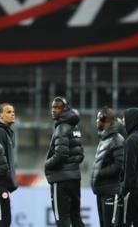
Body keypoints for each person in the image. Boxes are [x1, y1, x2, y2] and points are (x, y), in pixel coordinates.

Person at [45, 96, 85, 227]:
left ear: (65, 109)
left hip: (61, 180)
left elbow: (61, 155)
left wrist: (47, 164)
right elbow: (80, 155)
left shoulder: (61, 128)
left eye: (57, 108)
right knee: (76, 219)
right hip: (74, 178)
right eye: (53, 107)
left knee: (61, 220)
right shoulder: (75, 128)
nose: (54, 110)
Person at [91, 107, 125, 227]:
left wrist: (100, 173)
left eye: (98, 118)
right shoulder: (105, 139)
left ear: (107, 121)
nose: (96, 121)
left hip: (110, 191)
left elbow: (118, 166)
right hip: (102, 190)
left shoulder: (117, 140)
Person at [0, 103, 18, 227]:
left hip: (2, 185)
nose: (12, 114)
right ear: (0, 116)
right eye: (8, 112)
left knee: (3, 220)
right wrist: (2, 179)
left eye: (13, 111)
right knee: (1, 221)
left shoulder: (7, 133)